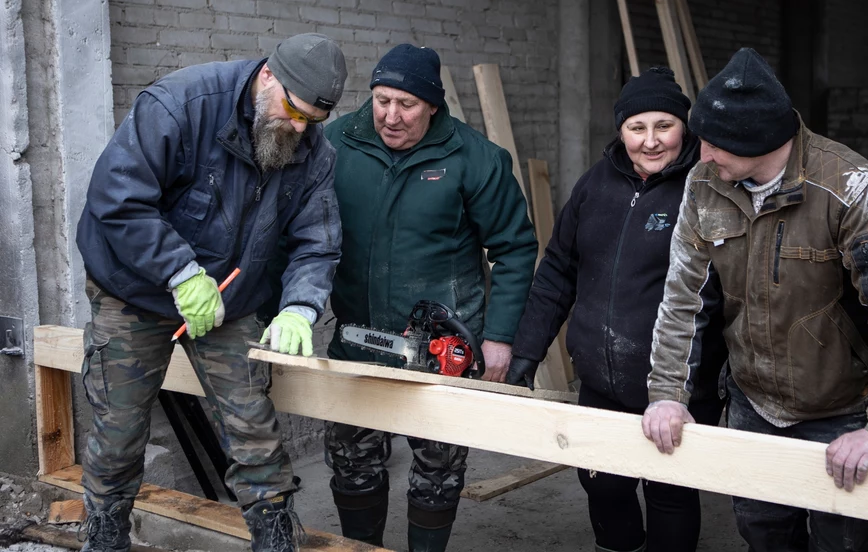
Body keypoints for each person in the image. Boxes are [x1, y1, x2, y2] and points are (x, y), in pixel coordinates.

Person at [641, 47, 868, 552]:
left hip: (841, 407)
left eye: (715, 145)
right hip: (753, 401)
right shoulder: (704, 185)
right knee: (764, 535)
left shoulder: (852, 189)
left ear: (759, 141)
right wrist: (667, 394)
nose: (702, 155)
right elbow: (682, 296)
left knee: (844, 541)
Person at [75, 33, 346, 552]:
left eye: (312, 120)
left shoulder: (312, 150)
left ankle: (274, 536)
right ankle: (106, 534)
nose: (298, 127)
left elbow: (318, 242)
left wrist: (299, 306)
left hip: (228, 298)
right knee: (120, 425)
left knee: (253, 425)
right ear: (269, 75)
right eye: (293, 110)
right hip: (133, 289)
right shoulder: (180, 106)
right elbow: (118, 199)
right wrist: (179, 271)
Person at [322, 44, 538, 552]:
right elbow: (294, 231)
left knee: (437, 470)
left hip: (441, 348)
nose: (390, 116)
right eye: (381, 100)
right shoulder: (336, 143)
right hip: (359, 339)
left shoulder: (474, 157)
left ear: (433, 106)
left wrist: (500, 338)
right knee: (353, 465)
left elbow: (514, 248)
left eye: (407, 104)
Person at [506, 67, 728, 552]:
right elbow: (557, 271)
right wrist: (527, 354)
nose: (650, 141)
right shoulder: (595, 185)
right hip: (601, 380)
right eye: (636, 127)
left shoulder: (707, 188)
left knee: (669, 491)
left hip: (678, 385)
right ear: (620, 129)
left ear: (684, 127)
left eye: (664, 126)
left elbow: (728, 296)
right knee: (603, 484)